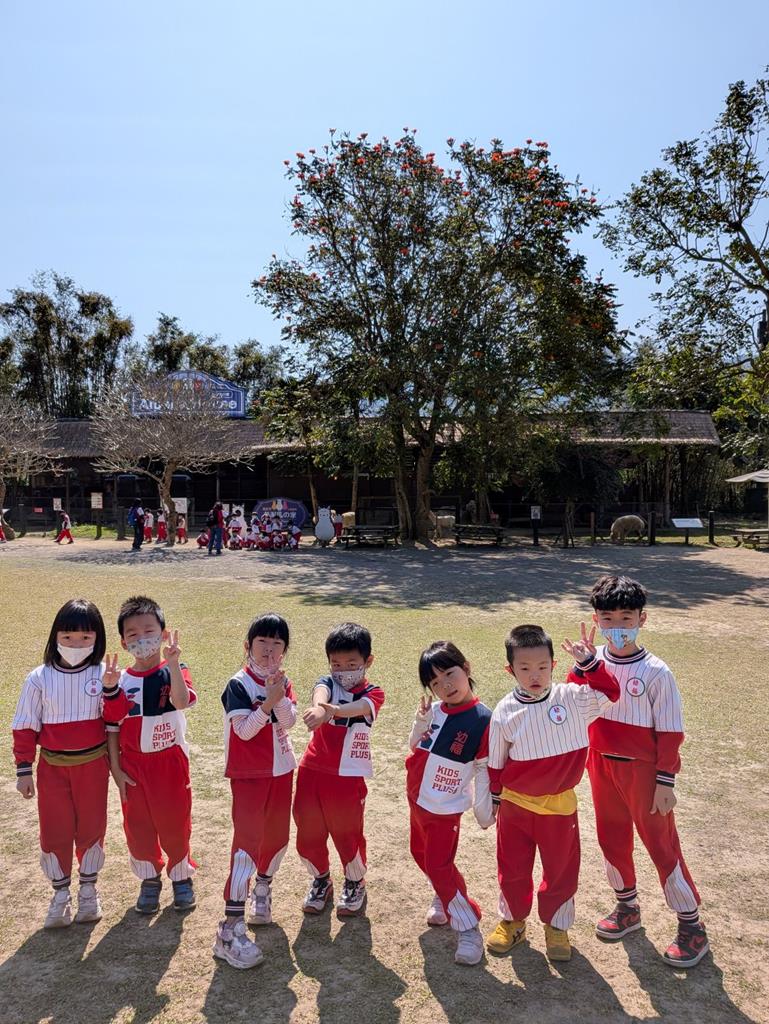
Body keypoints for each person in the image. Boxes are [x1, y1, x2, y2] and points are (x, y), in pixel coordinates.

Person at [586, 574, 709, 968]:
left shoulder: (657, 672)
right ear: (596, 619)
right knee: (611, 837)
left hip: (643, 772)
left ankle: (691, 925)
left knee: (661, 844)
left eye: (626, 618)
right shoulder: (591, 661)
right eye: (608, 619)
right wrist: (583, 666)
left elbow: (671, 731)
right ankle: (627, 907)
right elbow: (574, 705)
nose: (617, 627)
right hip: (600, 764)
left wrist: (665, 780)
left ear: (643, 618)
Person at [486, 623, 620, 963]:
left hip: (559, 807)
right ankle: (513, 921)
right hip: (515, 806)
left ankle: (557, 927)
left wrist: (589, 664)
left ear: (553, 666)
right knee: (512, 867)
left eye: (542, 667)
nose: (535, 675)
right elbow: (496, 762)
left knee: (561, 869)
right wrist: (494, 799)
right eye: (525, 668)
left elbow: (610, 692)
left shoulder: (572, 698)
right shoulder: (504, 711)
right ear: (510, 670)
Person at [11, 599, 109, 927]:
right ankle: (60, 894)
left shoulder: (103, 674)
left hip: (93, 767)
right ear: (55, 637)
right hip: (52, 769)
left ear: (97, 639)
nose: (76, 645)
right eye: (68, 637)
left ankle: (89, 893)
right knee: (55, 829)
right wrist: (24, 769)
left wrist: (112, 690)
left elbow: (116, 720)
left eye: (85, 638)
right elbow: (25, 725)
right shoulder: (39, 678)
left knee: (92, 827)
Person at [102, 595, 197, 914]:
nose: (142, 639)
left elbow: (181, 702)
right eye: (133, 634)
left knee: (175, 821)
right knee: (138, 825)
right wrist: (116, 769)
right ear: (123, 642)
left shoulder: (175, 669)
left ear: (163, 633)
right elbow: (112, 727)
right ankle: (149, 879)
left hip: (169, 763)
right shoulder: (120, 681)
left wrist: (173, 663)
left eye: (149, 631)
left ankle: (181, 877)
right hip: (132, 766)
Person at [213, 613, 298, 970]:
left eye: (277, 644)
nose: (269, 650)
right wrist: (267, 702)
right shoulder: (238, 684)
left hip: (281, 770)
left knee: (276, 837)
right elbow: (245, 731)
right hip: (250, 776)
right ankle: (229, 929)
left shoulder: (282, 681)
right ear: (248, 645)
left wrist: (278, 695)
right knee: (246, 845)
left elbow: (290, 721)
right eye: (263, 642)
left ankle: (262, 889)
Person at [407, 641, 494, 966]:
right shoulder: (435, 710)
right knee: (421, 855)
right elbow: (415, 746)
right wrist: (420, 722)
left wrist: (485, 811)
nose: (445, 685)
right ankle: (445, 896)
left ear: (466, 668)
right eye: (435, 682)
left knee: (438, 865)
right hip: (418, 801)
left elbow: (484, 769)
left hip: (445, 808)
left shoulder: (484, 719)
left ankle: (468, 926)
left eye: (449, 674)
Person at [293, 622, 384, 918]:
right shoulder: (327, 683)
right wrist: (320, 707)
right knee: (308, 830)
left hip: (347, 776)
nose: (343, 670)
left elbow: (361, 708)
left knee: (347, 833)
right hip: (312, 769)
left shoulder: (373, 693)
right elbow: (320, 692)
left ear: (368, 661)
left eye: (351, 664)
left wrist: (332, 711)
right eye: (336, 664)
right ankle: (321, 879)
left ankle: (355, 881)